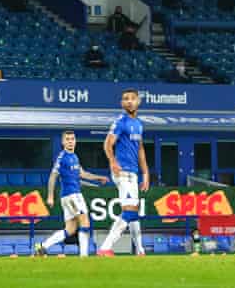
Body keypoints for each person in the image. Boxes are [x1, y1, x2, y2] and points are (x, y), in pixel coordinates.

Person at [35, 131, 109, 257]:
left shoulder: (74, 157)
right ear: (63, 142)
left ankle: (43, 247)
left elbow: (82, 174)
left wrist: (98, 178)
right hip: (72, 195)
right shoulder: (62, 157)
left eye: (72, 139)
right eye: (67, 139)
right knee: (85, 222)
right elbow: (53, 176)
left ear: (75, 141)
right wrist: (50, 196)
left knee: (70, 229)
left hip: (69, 196)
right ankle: (84, 256)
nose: (70, 141)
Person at [98, 89, 150, 257]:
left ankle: (140, 250)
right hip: (123, 172)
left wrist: (146, 173)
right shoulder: (121, 122)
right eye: (126, 99)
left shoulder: (139, 124)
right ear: (122, 103)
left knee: (133, 212)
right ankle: (105, 247)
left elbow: (140, 149)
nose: (129, 101)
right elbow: (107, 144)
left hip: (133, 173)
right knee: (129, 211)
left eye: (132, 99)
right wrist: (113, 161)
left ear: (138, 102)